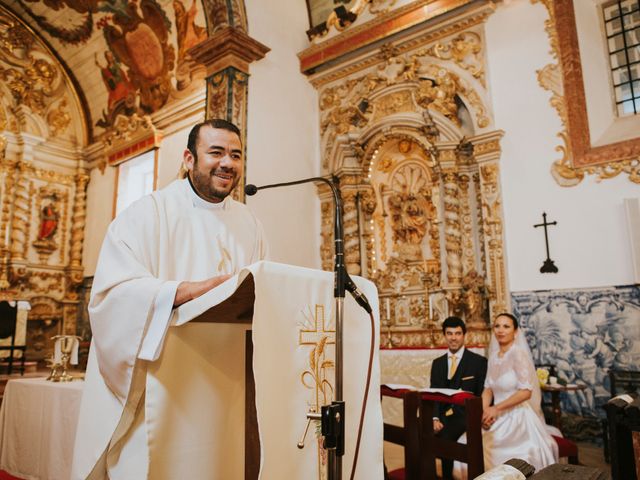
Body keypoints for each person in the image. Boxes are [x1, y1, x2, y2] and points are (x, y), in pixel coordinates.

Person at [71, 119, 268, 479]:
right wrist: (179, 292)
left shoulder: (249, 222)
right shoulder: (148, 213)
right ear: (189, 158)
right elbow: (109, 295)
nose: (228, 163)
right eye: (217, 152)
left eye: (236, 155)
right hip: (166, 384)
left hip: (230, 384)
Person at [479, 313, 558, 472]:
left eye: (506, 326)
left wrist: (496, 408)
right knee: (476, 445)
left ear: (515, 332)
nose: (501, 330)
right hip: (496, 415)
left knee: (511, 454)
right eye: (497, 326)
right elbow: (488, 388)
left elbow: (526, 392)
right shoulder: (493, 357)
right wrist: (484, 411)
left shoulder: (518, 354)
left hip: (517, 416)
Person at [430, 316, 487, 479]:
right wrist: (434, 417)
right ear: (444, 335)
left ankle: (447, 477)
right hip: (441, 414)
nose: (453, 337)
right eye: (449, 333)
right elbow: (433, 393)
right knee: (419, 429)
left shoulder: (478, 362)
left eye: (457, 333)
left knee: (445, 436)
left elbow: (481, 394)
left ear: (464, 335)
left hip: (465, 415)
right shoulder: (438, 363)